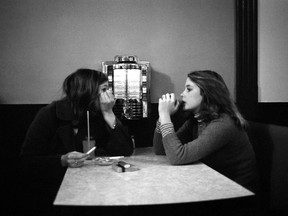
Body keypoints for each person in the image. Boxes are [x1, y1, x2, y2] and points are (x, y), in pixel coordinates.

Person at [18, 68, 134, 215]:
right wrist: (62, 160)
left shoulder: (98, 114)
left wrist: (108, 113)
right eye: (104, 89)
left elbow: (125, 151)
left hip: (96, 190)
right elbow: (27, 161)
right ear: (87, 92)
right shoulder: (50, 114)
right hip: (54, 193)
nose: (110, 96)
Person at [153, 70, 258, 192]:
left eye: (189, 89)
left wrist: (165, 114)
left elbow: (178, 156)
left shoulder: (223, 123)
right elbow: (160, 150)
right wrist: (162, 117)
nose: (182, 94)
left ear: (207, 93)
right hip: (214, 186)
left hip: (237, 194)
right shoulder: (197, 120)